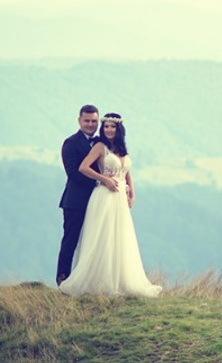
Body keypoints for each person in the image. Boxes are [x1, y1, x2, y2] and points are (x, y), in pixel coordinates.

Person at [59, 113, 161, 298]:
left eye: (112, 127)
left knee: (119, 238)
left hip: (120, 198)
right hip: (104, 196)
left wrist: (132, 192)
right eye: (106, 126)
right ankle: (90, 281)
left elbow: (126, 171)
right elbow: (82, 168)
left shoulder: (122, 148)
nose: (109, 130)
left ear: (118, 129)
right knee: (102, 238)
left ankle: (120, 281)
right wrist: (103, 180)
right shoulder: (99, 146)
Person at [56, 104, 102, 284]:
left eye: (94, 121)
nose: (90, 124)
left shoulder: (101, 143)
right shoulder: (71, 143)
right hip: (75, 201)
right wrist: (99, 182)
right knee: (71, 241)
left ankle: (90, 280)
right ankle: (63, 279)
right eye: (87, 121)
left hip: (99, 201)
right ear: (79, 121)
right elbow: (73, 173)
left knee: (94, 241)